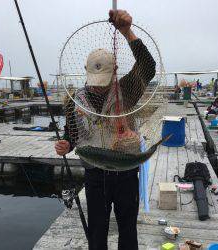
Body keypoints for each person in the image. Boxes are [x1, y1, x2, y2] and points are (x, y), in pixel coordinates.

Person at [55, 9, 156, 250]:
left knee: (128, 229)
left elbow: (148, 66)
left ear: (115, 72)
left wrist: (126, 31)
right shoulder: (74, 101)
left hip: (126, 172)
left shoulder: (127, 90)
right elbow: (72, 135)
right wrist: (66, 145)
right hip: (95, 176)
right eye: (95, 80)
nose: (99, 88)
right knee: (97, 231)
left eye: (105, 80)